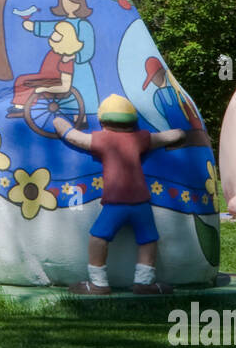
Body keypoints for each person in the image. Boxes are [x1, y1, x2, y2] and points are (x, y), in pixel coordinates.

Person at [54, 94, 184, 296]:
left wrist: (59, 122)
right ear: (132, 121)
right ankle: (144, 281)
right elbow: (164, 137)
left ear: (103, 121)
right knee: (148, 239)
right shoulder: (138, 138)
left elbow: (74, 137)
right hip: (141, 201)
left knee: (98, 237)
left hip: (116, 202)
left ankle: (98, 282)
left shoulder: (103, 139)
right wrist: (180, 133)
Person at [9, 21, 83, 113]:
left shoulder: (66, 58)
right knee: (22, 79)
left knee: (26, 82)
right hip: (44, 77)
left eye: (57, 33)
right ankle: (20, 106)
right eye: (55, 31)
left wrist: (45, 89)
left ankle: (22, 107)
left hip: (53, 81)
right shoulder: (55, 52)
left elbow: (65, 86)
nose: (53, 34)